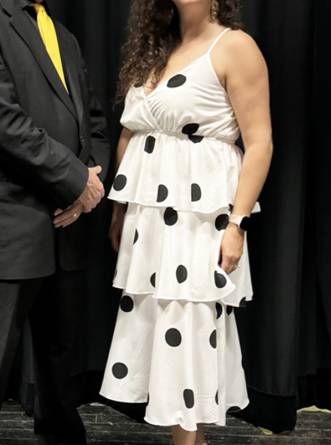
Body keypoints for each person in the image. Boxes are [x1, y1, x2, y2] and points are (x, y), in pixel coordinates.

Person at [99, 0, 272, 444]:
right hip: (151, 215)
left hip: (200, 213)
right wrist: (120, 208)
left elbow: (259, 143)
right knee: (163, 323)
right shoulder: (156, 48)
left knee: (191, 319)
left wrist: (237, 224)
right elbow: (130, 132)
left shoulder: (234, 47)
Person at [0, 0, 111, 443]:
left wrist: (87, 186)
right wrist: (75, 181)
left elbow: (93, 124)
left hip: (67, 222)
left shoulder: (63, 35)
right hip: (8, 220)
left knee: (61, 362)